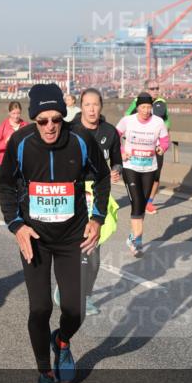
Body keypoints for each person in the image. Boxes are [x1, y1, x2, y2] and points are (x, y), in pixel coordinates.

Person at [0, 84, 109, 383]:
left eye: (55, 119)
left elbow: (101, 178)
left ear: (63, 116)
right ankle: (45, 376)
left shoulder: (80, 141)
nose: (49, 127)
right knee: (40, 308)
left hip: (72, 236)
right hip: (35, 238)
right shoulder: (20, 143)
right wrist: (16, 226)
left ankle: (62, 339)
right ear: (34, 120)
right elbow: (5, 187)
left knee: (74, 309)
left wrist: (97, 218)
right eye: (42, 120)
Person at [66, 88, 122, 316]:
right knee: (74, 248)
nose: (91, 109)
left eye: (95, 105)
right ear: (81, 106)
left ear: (101, 106)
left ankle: (86, 296)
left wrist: (116, 171)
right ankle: (67, 287)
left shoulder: (109, 132)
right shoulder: (69, 130)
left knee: (94, 255)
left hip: (99, 193)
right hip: (73, 192)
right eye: (87, 105)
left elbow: (117, 161)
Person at [117, 92, 169, 257]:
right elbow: (114, 136)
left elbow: (165, 140)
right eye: (143, 107)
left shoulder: (158, 122)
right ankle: (138, 242)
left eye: (149, 107)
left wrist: (162, 148)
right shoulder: (128, 120)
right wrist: (121, 151)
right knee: (137, 201)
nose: (146, 110)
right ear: (137, 107)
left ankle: (133, 236)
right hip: (130, 167)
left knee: (142, 204)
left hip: (149, 168)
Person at [125, 80, 170, 214]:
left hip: (157, 145)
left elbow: (167, 121)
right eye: (152, 88)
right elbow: (127, 117)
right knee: (140, 172)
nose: (155, 90)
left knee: (156, 175)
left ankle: (149, 203)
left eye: (157, 88)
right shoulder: (138, 101)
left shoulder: (162, 103)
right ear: (146, 90)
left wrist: (165, 141)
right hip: (141, 143)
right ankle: (140, 198)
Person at [0, 101, 28, 165]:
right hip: (5, 162)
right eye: (13, 113)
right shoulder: (3, 125)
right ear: (9, 113)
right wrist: (6, 143)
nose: (16, 116)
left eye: (18, 113)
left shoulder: (26, 125)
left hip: (21, 163)